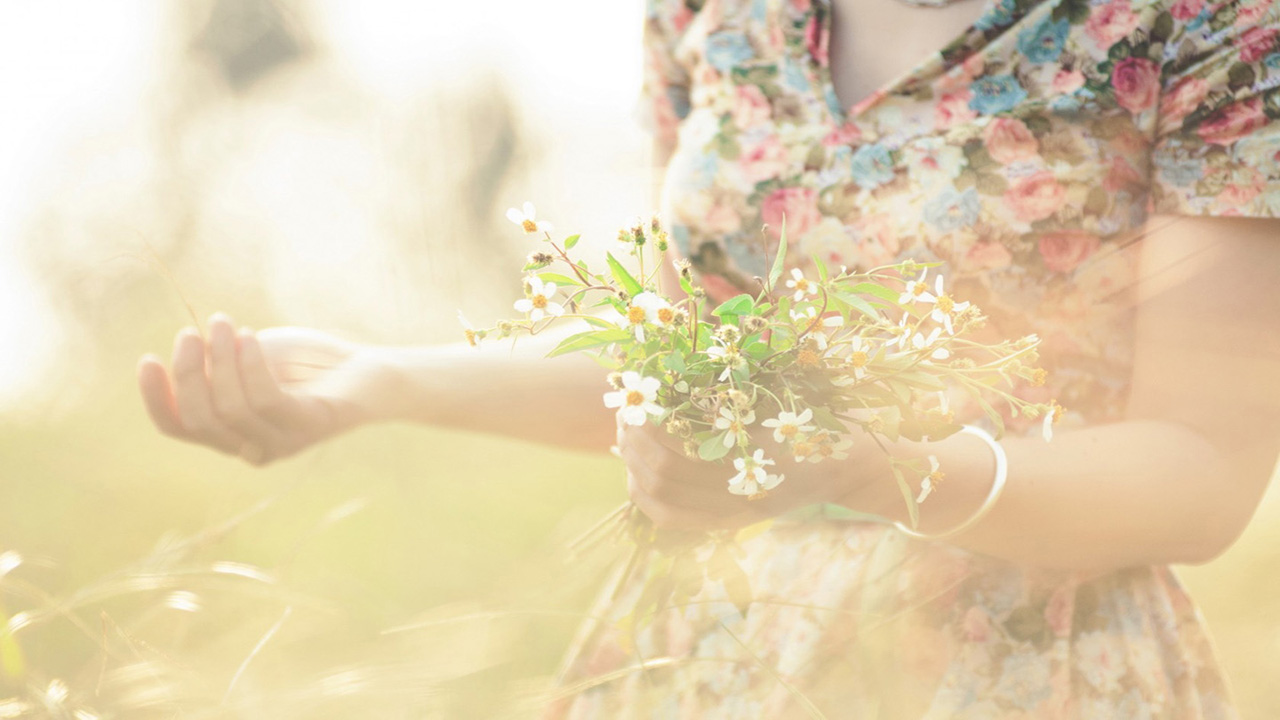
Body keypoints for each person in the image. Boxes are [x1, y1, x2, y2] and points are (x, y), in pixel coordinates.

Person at [138, 0, 1280, 715]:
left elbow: (1198, 475)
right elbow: (692, 375)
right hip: (707, 658)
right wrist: (376, 379)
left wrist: (864, 469)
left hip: (1028, 669)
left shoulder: (1211, 23)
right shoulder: (712, 14)